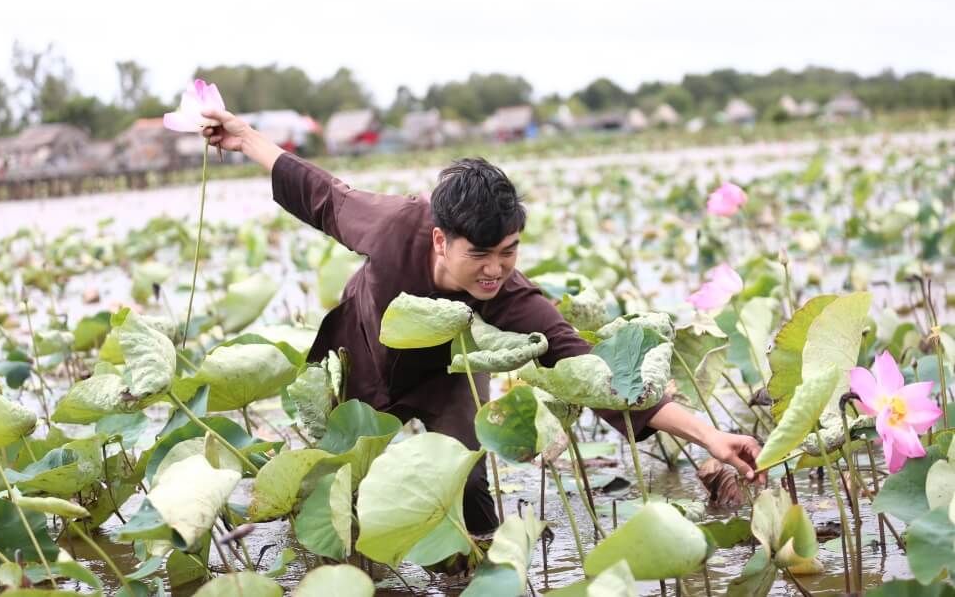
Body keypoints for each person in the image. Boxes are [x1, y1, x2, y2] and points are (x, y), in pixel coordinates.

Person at [202, 109, 765, 535]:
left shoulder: (509, 297)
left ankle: (476, 568)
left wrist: (711, 436)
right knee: (340, 491)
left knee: (469, 483)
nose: (496, 270)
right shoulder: (394, 225)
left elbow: (591, 372)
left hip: (446, 376)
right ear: (442, 240)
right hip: (362, 359)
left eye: (510, 251)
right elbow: (320, 193)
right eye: (481, 255)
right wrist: (243, 136)